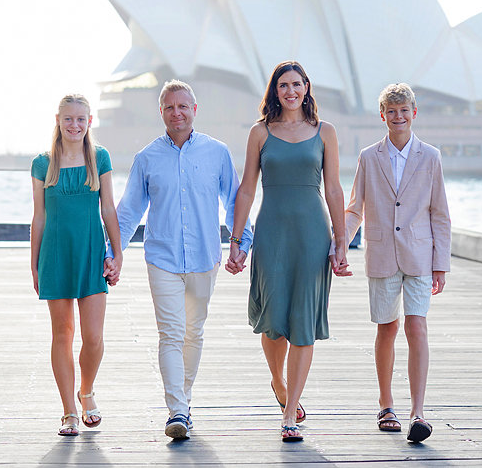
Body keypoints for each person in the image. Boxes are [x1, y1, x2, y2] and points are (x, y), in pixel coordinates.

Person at [104, 79, 252, 440]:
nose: (177, 113)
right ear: (161, 112)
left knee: (193, 332)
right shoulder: (146, 158)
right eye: (170, 107)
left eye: (183, 106)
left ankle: (183, 401)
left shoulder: (217, 153)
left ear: (194, 110)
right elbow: (128, 213)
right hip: (162, 258)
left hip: (205, 256)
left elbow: (235, 201)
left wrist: (242, 242)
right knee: (170, 333)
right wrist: (113, 254)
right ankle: (178, 410)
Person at [225, 60, 352, 443]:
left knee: (303, 320)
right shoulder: (260, 133)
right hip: (272, 232)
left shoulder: (325, 132)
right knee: (272, 319)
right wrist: (236, 240)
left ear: (307, 88)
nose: (291, 91)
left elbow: (333, 189)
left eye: (297, 84)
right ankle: (278, 381)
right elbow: (246, 189)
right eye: (283, 85)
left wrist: (341, 238)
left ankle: (289, 412)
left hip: (313, 233)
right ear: (274, 90)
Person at [344, 83, 451, 443]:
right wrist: (340, 244)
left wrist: (441, 263)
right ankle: (386, 403)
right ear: (382, 115)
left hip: (420, 255)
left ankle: (418, 411)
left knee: (417, 327)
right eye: (392, 111)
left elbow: (440, 214)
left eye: (404, 110)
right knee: (387, 328)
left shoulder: (431, 156)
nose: (399, 116)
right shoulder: (368, 157)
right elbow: (354, 207)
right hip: (382, 254)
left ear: (414, 113)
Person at [30, 94, 123, 437]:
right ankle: (69, 410)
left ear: (90, 121)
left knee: (94, 337)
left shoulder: (99, 158)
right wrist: (34, 264)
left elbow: (109, 209)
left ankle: (86, 390)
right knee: (62, 334)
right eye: (68, 119)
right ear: (58, 120)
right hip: (55, 254)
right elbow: (38, 217)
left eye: (80, 119)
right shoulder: (43, 163)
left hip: (91, 252)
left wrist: (117, 252)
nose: (74, 125)